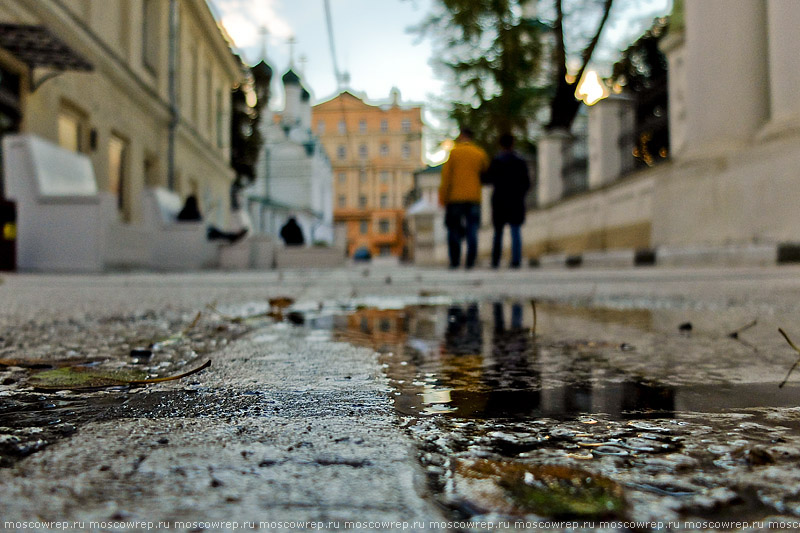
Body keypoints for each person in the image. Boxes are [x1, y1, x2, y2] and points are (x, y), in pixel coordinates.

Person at [438, 127, 489, 269]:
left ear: (461, 136)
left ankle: (455, 260)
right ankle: (470, 261)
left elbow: (446, 177)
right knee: (472, 229)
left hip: (455, 198)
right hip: (474, 197)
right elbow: (485, 173)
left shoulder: (454, 153)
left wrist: (443, 197)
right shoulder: (479, 153)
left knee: (453, 229)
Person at [484, 133, 530, 269]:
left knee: (498, 232)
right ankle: (516, 260)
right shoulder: (520, 161)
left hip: (499, 200)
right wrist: (520, 193)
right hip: (515, 200)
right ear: (513, 143)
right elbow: (526, 182)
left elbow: (488, 179)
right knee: (515, 230)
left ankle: (495, 260)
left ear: (500, 144)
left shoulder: (496, 161)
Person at [177, 194, 248, 243]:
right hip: (196, 234)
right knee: (215, 231)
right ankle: (231, 236)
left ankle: (231, 236)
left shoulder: (184, 212)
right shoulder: (191, 211)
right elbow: (197, 221)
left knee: (214, 230)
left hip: (197, 232)